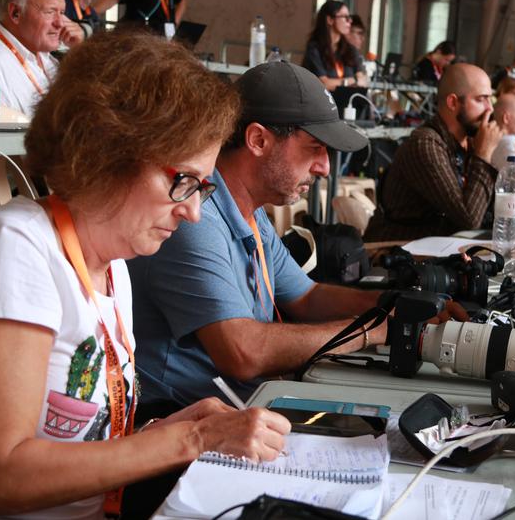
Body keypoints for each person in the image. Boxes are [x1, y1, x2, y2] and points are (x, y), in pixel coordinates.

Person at [0, 32, 290, 519]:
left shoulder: (113, 268)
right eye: (182, 181)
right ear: (108, 153)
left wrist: (159, 435)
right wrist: (193, 438)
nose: (192, 212)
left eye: (202, 188)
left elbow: (77, 447)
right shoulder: (13, 250)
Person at [128, 61, 386, 420]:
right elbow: (242, 352)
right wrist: (369, 330)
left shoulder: (250, 211)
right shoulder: (194, 218)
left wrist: (390, 305)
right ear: (258, 140)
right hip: (179, 421)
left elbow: (308, 298)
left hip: (239, 410)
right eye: (315, 147)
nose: (325, 167)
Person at [363, 63, 505, 242]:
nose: (490, 109)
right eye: (480, 99)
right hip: (398, 252)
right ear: (453, 102)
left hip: (441, 250)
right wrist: (483, 155)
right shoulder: (425, 143)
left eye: (490, 99)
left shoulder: (469, 142)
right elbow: (469, 219)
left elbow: (492, 209)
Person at [303, 0, 368, 91]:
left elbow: (363, 81)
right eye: (345, 17)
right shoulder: (314, 48)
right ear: (330, 20)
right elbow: (323, 84)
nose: (350, 21)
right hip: (324, 103)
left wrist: (355, 81)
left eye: (349, 17)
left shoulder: (350, 49)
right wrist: (350, 81)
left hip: (348, 103)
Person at [93, 0, 186, 37]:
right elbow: (108, 1)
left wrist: (173, 23)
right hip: (134, 37)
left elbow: (182, 0)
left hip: (161, 39)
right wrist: (84, 14)